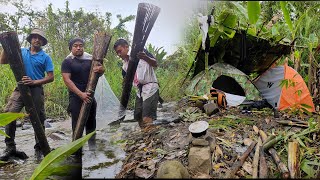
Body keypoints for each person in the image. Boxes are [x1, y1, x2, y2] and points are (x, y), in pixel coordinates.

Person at [0, 28, 54, 160]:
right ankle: (10, 147)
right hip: (20, 88)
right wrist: (5, 46)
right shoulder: (21, 51)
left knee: (38, 118)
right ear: (30, 39)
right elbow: (3, 61)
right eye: (34, 37)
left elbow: (50, 77)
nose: (37, 39)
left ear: (42, 42)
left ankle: (39, 147)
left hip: (36, 89)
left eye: (40, 38)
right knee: (10, 115)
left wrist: (34, 81)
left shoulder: (45, 57)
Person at [61, 38, 105, 151]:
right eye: (75, 46)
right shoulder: (68, 61)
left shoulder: (91, 59)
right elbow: (67, 80)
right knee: (76, 125)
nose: (79, 48)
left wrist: (101, 70)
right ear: (71, 48)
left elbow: (99, 73)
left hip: (89, 96)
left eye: (81, 45)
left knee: (91, 123)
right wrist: (81, 94)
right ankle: (76, 152)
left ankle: (92, 150)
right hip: (76, 97)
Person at [113, 39, 159, 129]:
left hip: (150, 88)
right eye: (117, 53)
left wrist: (145, 57)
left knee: (147, 117)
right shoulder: (125, 65)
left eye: (120, 51)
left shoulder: (140, 52)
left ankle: (150, 137)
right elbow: (126, 80)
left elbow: (155, 63)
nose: (119, 54)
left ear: (126, 47)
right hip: (139, 91)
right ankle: (145, 135)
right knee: (138, 116)